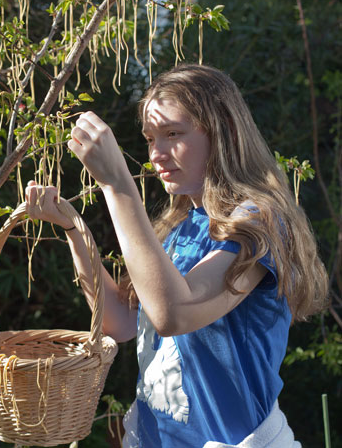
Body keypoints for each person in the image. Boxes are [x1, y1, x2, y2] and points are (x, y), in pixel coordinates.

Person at [24, 64, 329, 447]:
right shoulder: (181, 224)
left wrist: (116, 185)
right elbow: (120, 322)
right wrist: (73, 228)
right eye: (150, 138)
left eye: (172, 134)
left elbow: (174, 313)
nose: (157, 153)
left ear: (222, 133)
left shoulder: (259, 223)